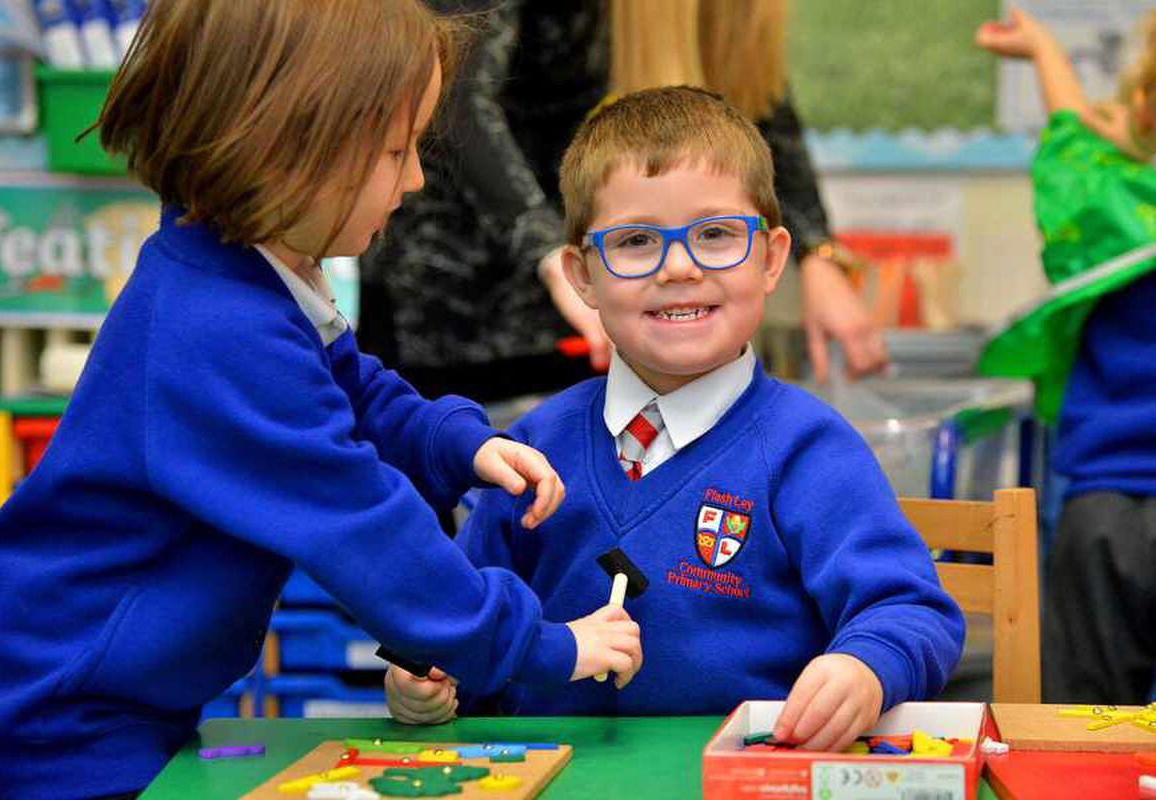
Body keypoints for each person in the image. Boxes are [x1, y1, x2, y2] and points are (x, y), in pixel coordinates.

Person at [0, 3, 643, 797]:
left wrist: (455, 442)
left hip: (116, 696)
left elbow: (352, 387)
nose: (417, 178)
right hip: (67, 716)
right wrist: (542, 646)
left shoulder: (251, 267)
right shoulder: (221, 329)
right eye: (395, 151)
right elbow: (367, 528)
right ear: (287, 149)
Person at [384, 87, 964, 751]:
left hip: (739, 785)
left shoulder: (810, 448)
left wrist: (864, 668)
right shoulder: (532, 448)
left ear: (773, 258)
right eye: (635, 242)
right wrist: (426, 684)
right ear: (582, 276)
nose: (680, 267)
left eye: (716, 235)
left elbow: (909, 609)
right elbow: (459, 621)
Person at [358, 0, 884, 404]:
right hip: (454, 313)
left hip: (595, 302)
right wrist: (548, 254)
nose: (685, 269)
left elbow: (754, 95)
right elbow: (457, 95)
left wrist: (818, 253)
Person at [977, 8, 1156, 703]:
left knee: (1086, 720)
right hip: (1103, 507)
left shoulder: (1112, 212)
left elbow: (1072, 142)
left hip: (1101, 510)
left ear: (1140, 109)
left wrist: (1045, 51)